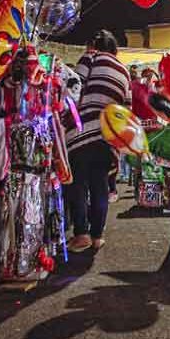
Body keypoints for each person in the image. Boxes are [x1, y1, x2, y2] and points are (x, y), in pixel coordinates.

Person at [65, 30, 131, 252]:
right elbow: (127, 110)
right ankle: (97, 236)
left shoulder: (91, 57)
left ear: (94, 45)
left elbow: (73, 87)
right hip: (107, 136)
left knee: (78, 184)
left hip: (83, 131)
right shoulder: (124, 71)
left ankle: (81, 234)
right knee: (100, 185)